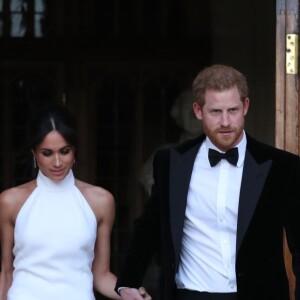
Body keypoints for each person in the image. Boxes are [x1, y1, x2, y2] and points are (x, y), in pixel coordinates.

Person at [115, 64, 300, 300]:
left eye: (232, 110)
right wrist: (127, 282)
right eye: (215, 111)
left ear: (246, 106)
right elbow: (150, 226)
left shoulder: (282, 166)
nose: (225, 121)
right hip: (190, 294)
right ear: (198, 110)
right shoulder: (171, 163)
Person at [0, 105, 150, 300]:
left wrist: (126, 291)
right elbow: (6, 272)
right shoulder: (10, 201)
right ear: (34, 154)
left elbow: (101, 275)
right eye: (47, 153)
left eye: (64, 151)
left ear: (75, 150)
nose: (57, 162)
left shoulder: (100, 201)